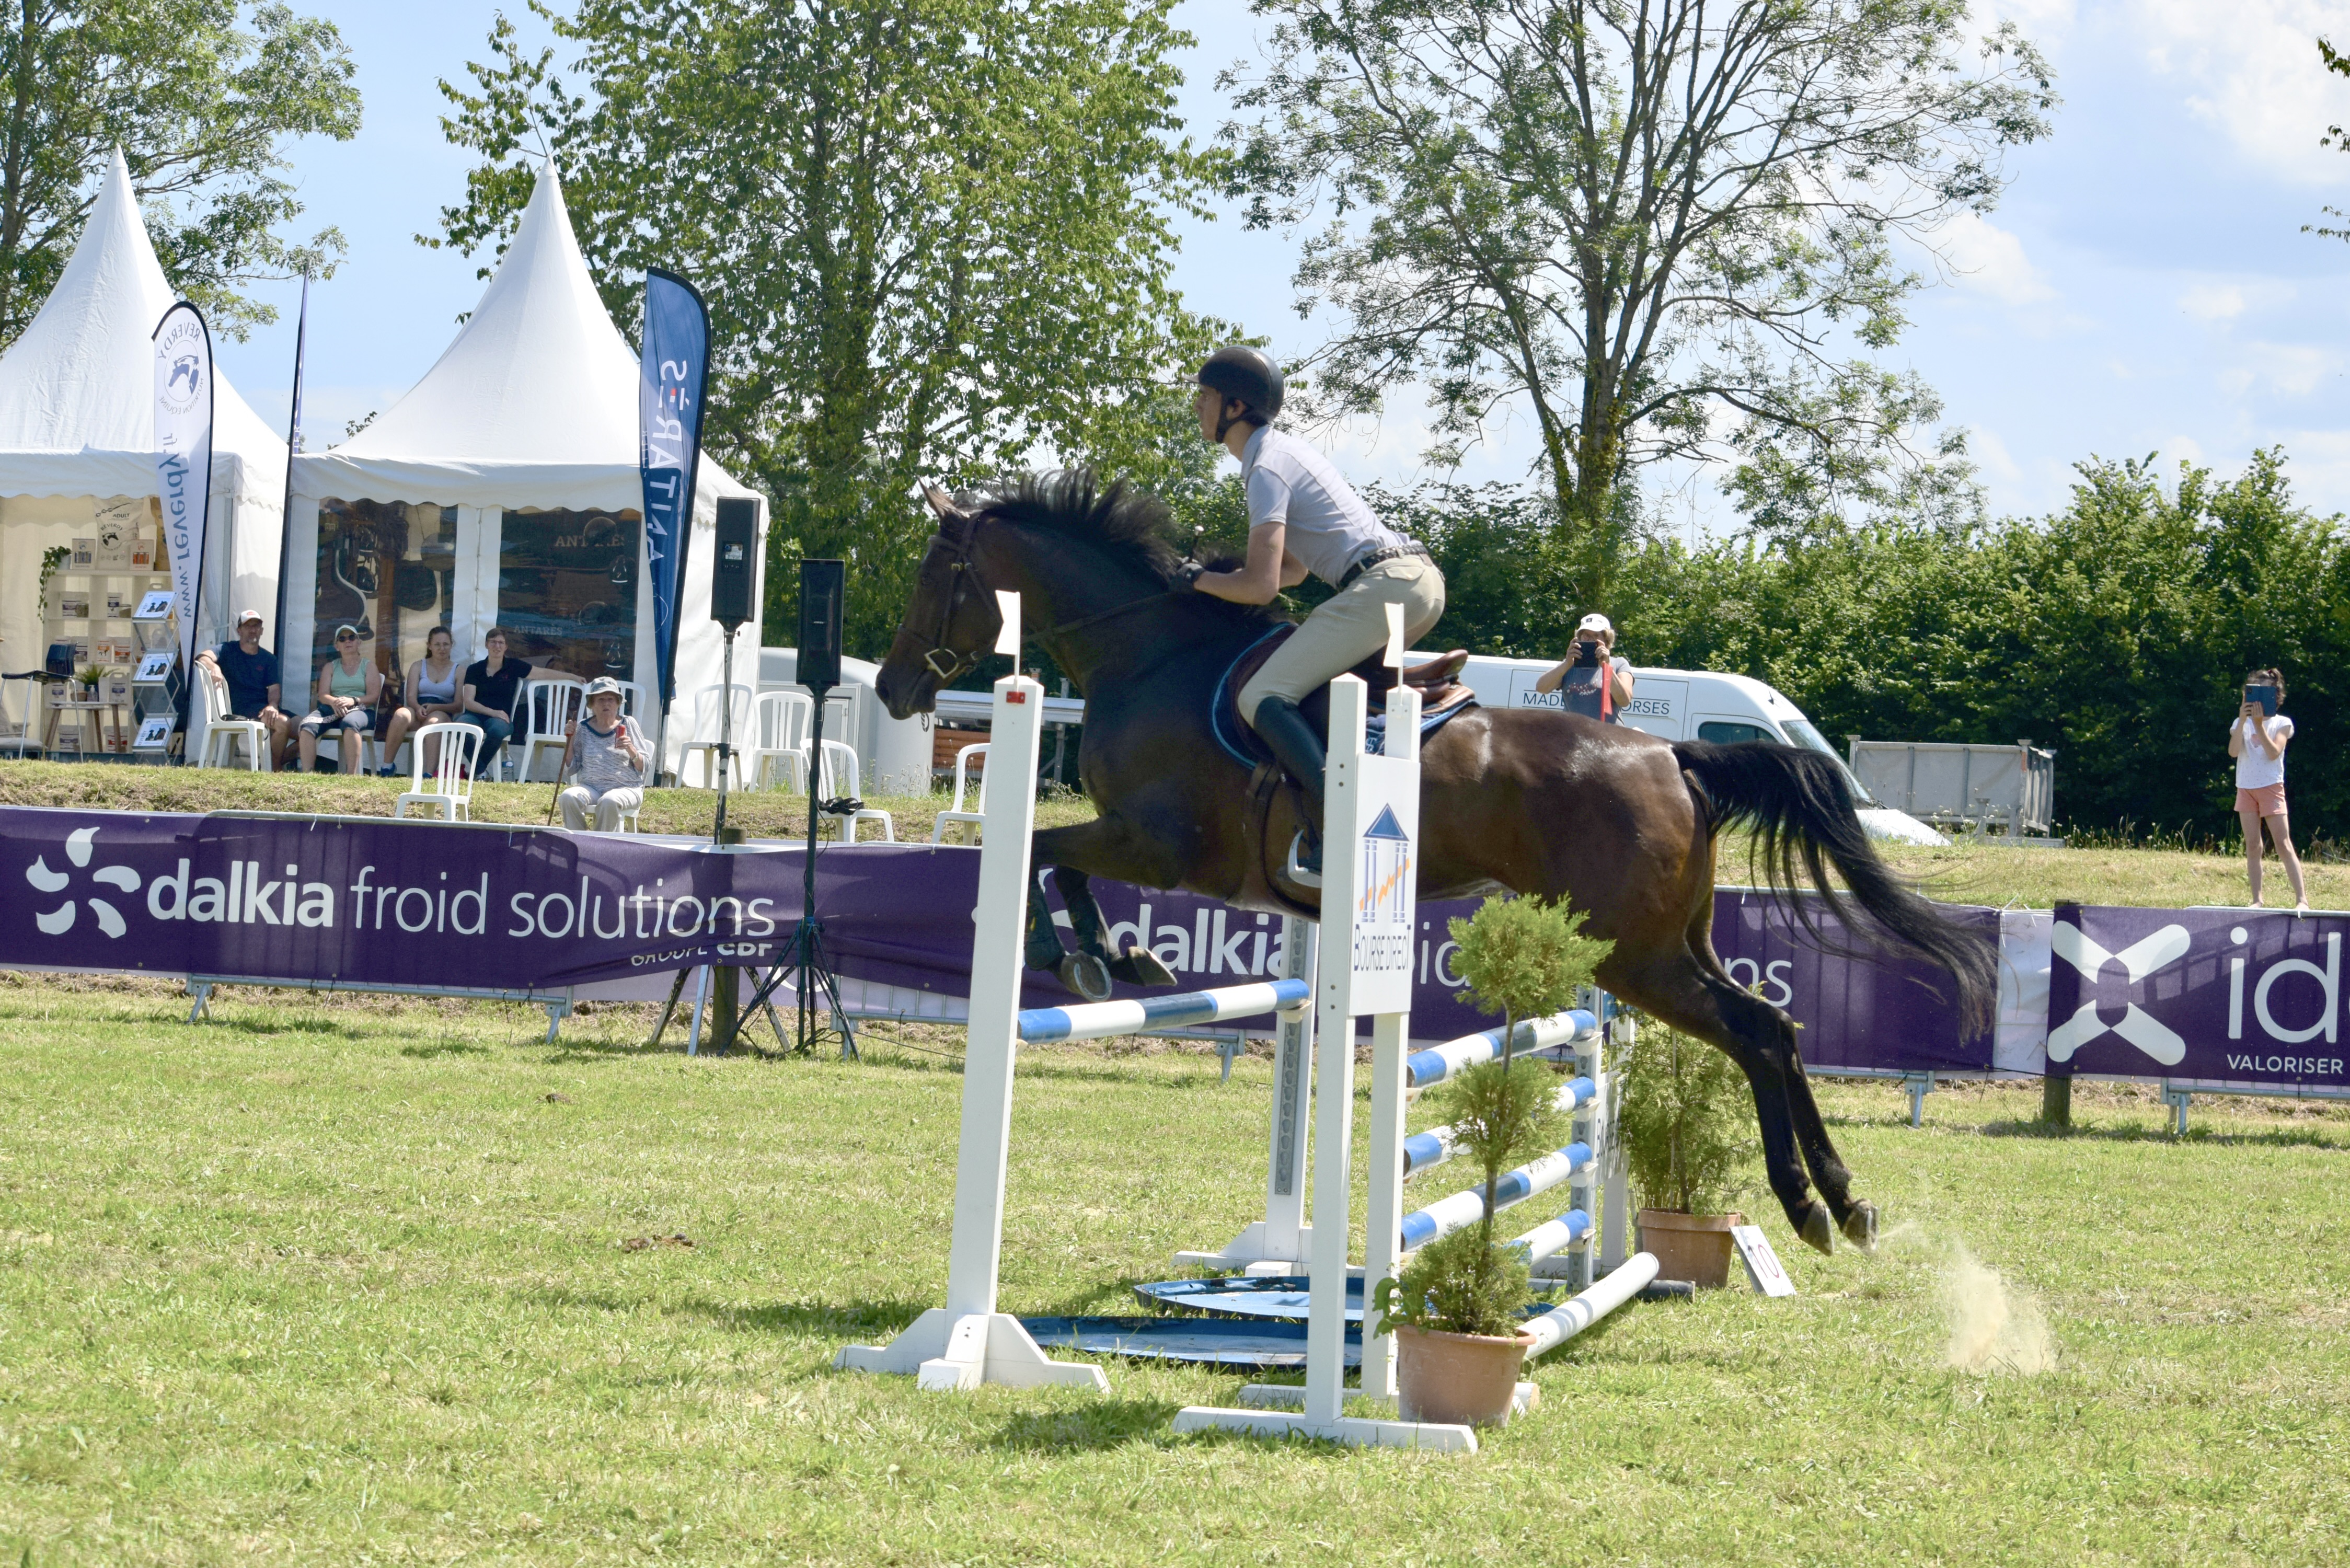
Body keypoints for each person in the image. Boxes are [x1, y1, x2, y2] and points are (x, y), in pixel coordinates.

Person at [1188, 345, 1447, 868]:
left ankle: (1339, 820)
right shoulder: (1278, 453)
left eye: (1206, 395)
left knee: (1262, 695)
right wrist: (1213, 580)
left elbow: (1261, 588)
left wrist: (1195, 580)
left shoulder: (1265, 467)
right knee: (1315, 696)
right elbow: (1292, 572)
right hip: (1417, 583)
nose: (1197, 405)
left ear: (1235, 407)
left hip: (1387, 585)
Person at [2229, 666, 2307, 912]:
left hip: (2271, 787)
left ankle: (2302, 900)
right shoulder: (2240, 723)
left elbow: (2274, 753)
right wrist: (2244, 721)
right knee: (2253, 845)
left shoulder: (2282, 723)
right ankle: (2257, 900)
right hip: (2246, 787)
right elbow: (2233, 752)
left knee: (2283, 843)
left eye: (2267, 694)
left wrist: (2259, 726)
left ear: (2276, 696)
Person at [192, 609, 294, 768]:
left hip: (265, 707)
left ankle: (270, 765)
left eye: (256, 626)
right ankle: (274, 770)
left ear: (262, 631)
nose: (253, 630)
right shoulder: (227, 649)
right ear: (239, 630)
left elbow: (274, 689)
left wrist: (273, 705)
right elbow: (202, 657)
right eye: (248, 626)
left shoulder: (268, 659)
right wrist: (214, 667)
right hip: (240, 709)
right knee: (283, 724)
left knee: (307, 730)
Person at [556, 676, 648, 832]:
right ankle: (578, 840)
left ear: (618, 703)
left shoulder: (629, 723)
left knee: (609, 800)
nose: (606, 704)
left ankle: (599, 843)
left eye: (611, 699)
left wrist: (631, 749)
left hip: (626, 787)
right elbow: (570, 769)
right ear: (592, 704)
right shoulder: (583, 727)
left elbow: (644, 767)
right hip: (591, 787)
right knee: (568, 797)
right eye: (601, 700)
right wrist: (570, 739)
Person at [296, 625, 384, 774]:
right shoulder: (330, 667)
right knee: (307, 726)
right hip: (333, 708)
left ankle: (351, 776)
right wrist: (334, 702)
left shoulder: (368, 666)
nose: (347, 641)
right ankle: (308, 774)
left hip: (361, 709)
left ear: (359, 642)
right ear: (337, 646)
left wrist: (353, 701)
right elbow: (323, 694)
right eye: (342, 639)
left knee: (350, 723)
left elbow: (373, 696)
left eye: (352, 638)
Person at [378, 625, 464, 777]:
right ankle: (387, 767)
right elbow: (410, 696)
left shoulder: (459, 670)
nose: (442, 649)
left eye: (446, 644)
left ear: (452, 645)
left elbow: (458, 705)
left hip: (443, 711)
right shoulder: (418, 666)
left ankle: (429, 774)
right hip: (418, 708)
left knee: (433, 722)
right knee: (401, 714)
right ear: (429, 646)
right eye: (437, 645)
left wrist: (435, 707)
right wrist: (418, 708)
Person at [458, 627, 532, 779]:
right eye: (493, 642)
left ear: (506, 647)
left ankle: (478, 772)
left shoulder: (513, 666)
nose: (497, 646)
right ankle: (480, 772)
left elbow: (543, 673)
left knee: (498, 732)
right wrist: (492, 712)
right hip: (475, 715)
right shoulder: (474, 669)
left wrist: (573, 677)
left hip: (500, 719)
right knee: (460, 728)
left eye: (501, 643)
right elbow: (469, 702)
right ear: (486, 644)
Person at [1534, 612, 1635, 721]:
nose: (1590, 639)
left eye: (1596, 635)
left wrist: (1607, 667)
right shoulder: (1569, 665)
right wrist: (1567, 663)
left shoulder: (1619, 664)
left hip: (1608, 732)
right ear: (1579, 638)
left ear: (1606, 640)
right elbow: (1541, 688)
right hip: (1575, 731)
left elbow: (1624, 701)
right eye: (1586, 635)